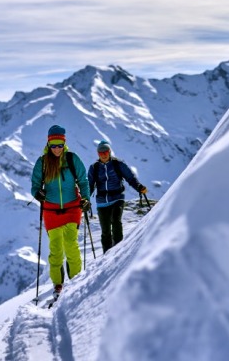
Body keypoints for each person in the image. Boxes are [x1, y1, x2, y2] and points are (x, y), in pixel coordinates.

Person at [31, 125, 91, 298]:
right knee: (56, 249)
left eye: (59, 145)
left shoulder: (72, 159)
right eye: (53, 145)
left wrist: (85, 198)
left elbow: (83, 181)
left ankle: (76, 280)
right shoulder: (42, 162)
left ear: (64, 143)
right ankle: (58, 285)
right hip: (51, 210)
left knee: (71, 244)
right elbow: (35, 185)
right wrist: (37, 193)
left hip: (72, 207)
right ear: (48, 144)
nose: (56, 148)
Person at [88, 140, 147, 253]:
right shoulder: (94, 168)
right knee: (105, 231)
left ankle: (118, 252)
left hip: (117, 198)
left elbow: (130, 178)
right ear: (97, 154)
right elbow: (90, 185)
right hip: (102, 202)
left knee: (116, 223)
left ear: (109, 152)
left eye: (105, 152)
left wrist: (139, 187)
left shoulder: (118, 164)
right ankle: (107, 254)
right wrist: (85, 199)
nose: (103, 155)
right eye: (101, 153)